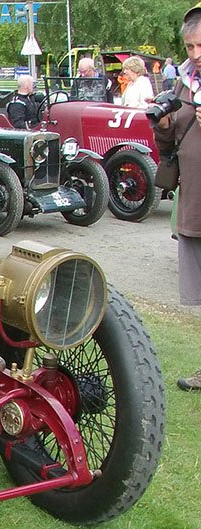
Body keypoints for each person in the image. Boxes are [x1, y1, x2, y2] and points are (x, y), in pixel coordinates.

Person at [151, 4, 201, 390]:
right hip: (195, 205)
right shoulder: (185, 85)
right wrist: (164, 126)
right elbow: (170, 144)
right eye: (189, 48)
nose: (195, 55)